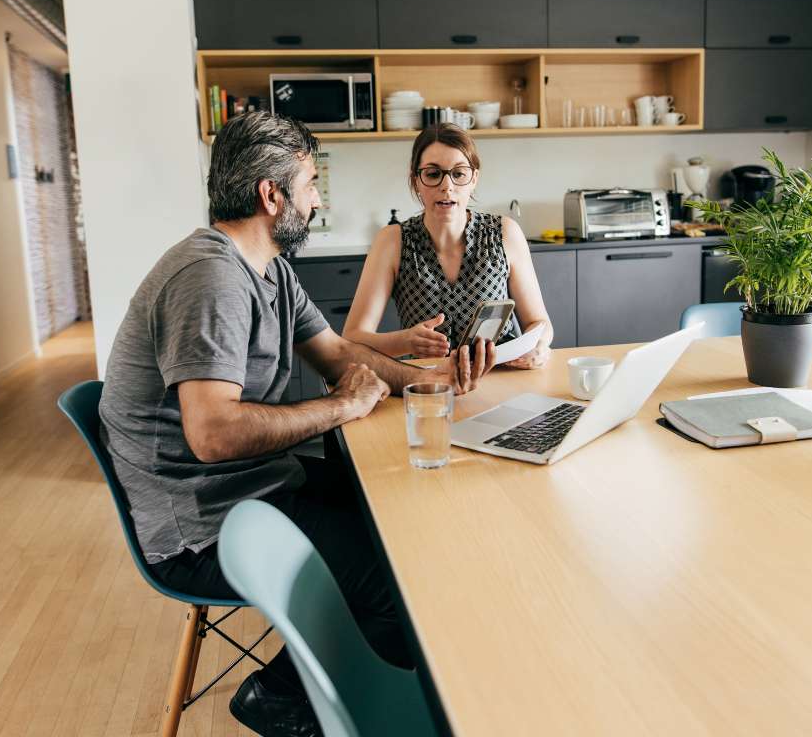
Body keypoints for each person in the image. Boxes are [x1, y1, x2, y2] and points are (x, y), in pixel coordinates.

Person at [98, 111, 494, 737]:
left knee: (408, 514)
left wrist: (432, 378)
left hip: (254, 485)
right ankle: (288, 700)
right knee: (399, 579)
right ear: (271, 194)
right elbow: (213, 434)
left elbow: (339, 355)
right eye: (311, 183)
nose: (317, 200)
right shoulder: (210, 277)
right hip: (203, 525)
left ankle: (412, 683)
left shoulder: (270, 268)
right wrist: (341, 407)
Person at [343, 123, 553, 366]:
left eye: (459, 173)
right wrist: (405, 342)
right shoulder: (392, 241)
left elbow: (540, 323)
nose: (447, 186)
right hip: (428, 387)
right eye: (433, 174)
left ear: (474, 178)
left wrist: (539, 346)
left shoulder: (506, 233)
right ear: (416, 181)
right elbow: (352, 339)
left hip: (500, 377)